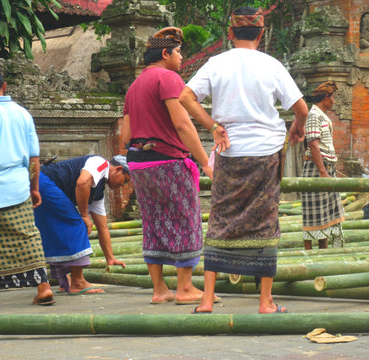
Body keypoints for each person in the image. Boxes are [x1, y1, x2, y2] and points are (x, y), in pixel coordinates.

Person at [180, 7, 309, 314]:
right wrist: (297, 127)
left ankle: (207, 299)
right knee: (265, 221)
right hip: (266, 153)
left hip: (229, 151)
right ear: (261, 34)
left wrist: (213, 126)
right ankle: (265, 302)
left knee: (221, 218)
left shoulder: (217, 63)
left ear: (230, 33)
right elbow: (302, 108)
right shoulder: (272, 65)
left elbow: (186, 97)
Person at [122, 27, 214, 305]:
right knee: (186, 219)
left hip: (139, 164)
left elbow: (125, 137)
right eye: (178, 52)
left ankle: (159, 289)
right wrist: (206, 163)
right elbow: (183, 124)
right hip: (169, 163)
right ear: (165, 53)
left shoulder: (134, 86)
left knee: (153, 222)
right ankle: (185, 288)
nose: (181, 57)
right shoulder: (169, 78)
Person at [0, 63, 54, 306]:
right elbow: (35, 157)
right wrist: (34, 187)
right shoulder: (23, 113)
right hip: (19, 187)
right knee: (28, 236)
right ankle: (43, 286)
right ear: (4, 86)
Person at [34, 155, 128, 294]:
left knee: (56, 231)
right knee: (77, 224)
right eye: (125, 180)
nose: (123, 185)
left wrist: (110, 258)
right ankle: (78, 282)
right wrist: (84, 215)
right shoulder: (101, 164)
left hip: (41, 185)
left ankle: (65, 281)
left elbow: (102, 227)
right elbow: (82, 182)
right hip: (44, 182)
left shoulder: (97, 193)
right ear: (118, 169)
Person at [301, 81, 345, 250]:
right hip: (316, 169)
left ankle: (324, 252)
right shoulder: (314, 115)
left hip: (326, 168)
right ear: (326, 97)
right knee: (315, 214)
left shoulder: (320, 115)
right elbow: (313, 144)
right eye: (332, 97)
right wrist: (322, 171)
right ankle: (310, 253)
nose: (333, 101)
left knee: (326, 213)